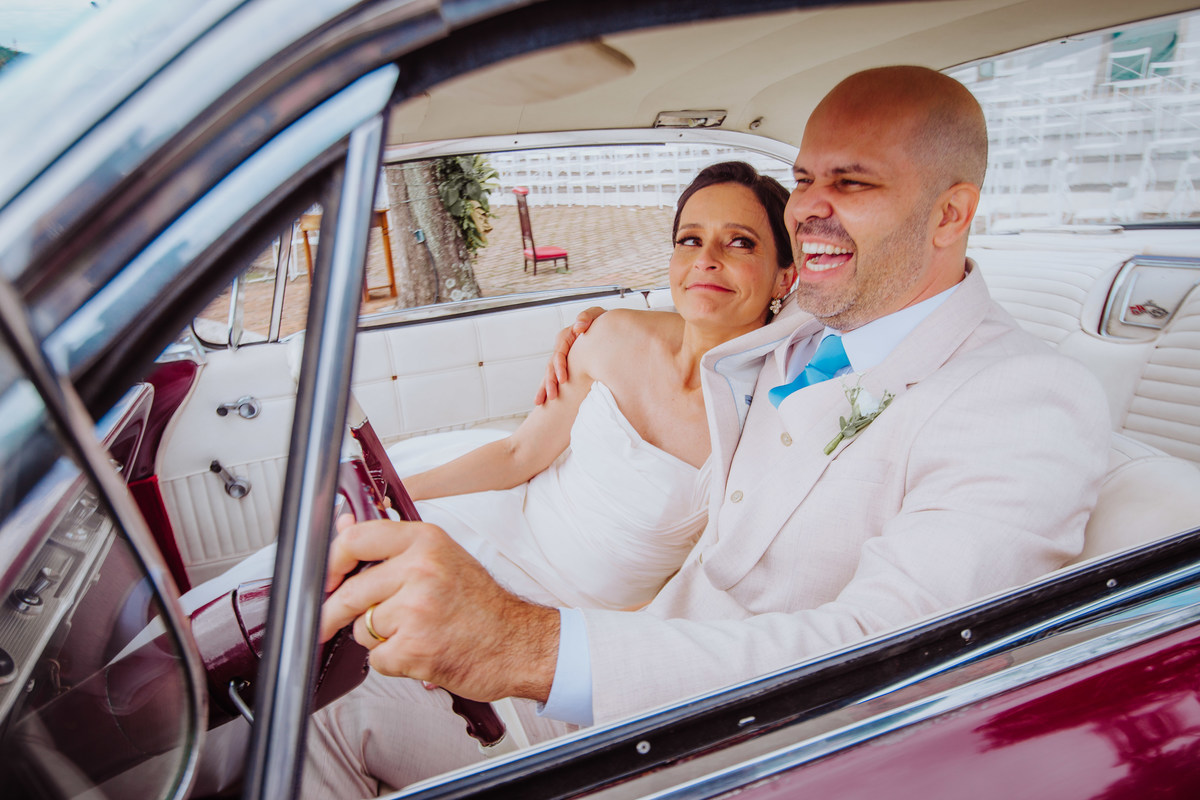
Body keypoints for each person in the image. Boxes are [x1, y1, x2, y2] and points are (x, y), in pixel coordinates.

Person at [307, 65, 1110, 796]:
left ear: (950, 213)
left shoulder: (1026, 397)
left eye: (852, 182)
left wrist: (523, 647)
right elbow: (707, 316)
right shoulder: (808, 327)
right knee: (325, 694)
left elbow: (892, 657)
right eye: (803, 180)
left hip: (718, 743)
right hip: (635, 656)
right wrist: (595, 330)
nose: (808, 209)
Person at [387, 160, 796, 612]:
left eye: (740, 242)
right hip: (501, 528)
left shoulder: (774, 414)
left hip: (578, 620)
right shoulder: (613, 335)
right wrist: (393, 498)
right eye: (690, 240)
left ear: (785, 275)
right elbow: (517, 455)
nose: (705, 259)